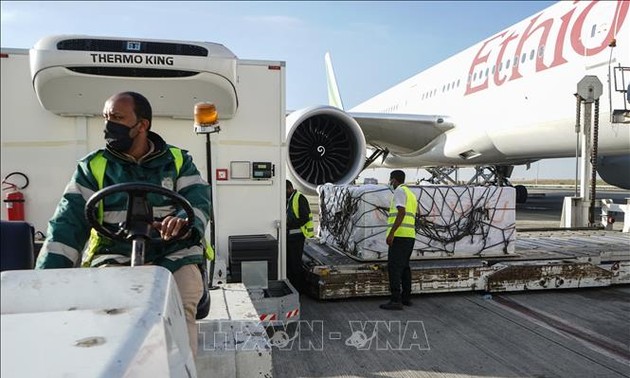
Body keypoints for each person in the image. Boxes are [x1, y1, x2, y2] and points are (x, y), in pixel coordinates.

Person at [35, 91, 211, 356]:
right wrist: (44, 285)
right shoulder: (92, 167)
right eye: (106, 117)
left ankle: (179, 369)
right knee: (112, 312)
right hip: (113, 256)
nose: (109, 125)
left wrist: (184, 223)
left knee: (181, 302)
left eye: (117, 117)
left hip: (175, 255)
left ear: (142, 125)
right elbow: (66, 226)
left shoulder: (178, 162)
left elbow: (198, 202)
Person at [380, 170, 417, 310]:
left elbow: (401, 212)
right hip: (409, 236)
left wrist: (392, 233)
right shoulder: (411, 194)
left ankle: (396, 300)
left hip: (400, 236)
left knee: (394, 268)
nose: (390, 183)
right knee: (405, 268)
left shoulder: (400, 192)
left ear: (394, 180)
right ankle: (406, 298)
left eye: (391, 180)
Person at [286, 180, 314, 291]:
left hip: (297, 237)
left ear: (289, 188)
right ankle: (293, 286)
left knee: (295, 263)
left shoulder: (300, 198)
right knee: (290, 263)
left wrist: (289, 223)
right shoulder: (290, 199)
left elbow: (305, 218)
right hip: (290, 237)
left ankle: (298, 288)